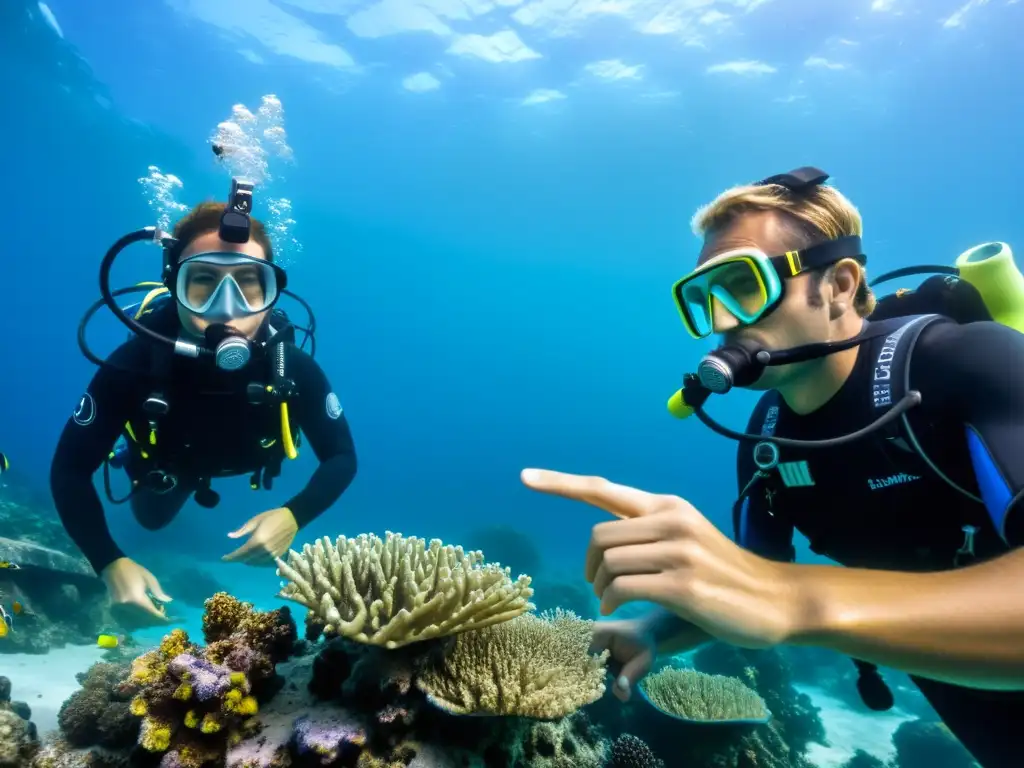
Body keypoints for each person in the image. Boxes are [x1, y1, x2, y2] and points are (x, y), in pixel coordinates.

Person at [520, 168, 1024, 767]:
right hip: (961, 689)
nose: (725, 320)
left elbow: (771, 591)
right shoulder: (766, 439)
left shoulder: (970, 359)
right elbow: (751, 578)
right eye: (704, 299)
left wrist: (794, 602)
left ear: (839, 284)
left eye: (743, 286)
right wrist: (654, 631)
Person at [50, 197, 358, 629]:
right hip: (166, 466)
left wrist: (294, 514)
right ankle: (135, 460)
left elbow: (342, 455)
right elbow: (69, 468)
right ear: (175, 285)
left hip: (246, 460)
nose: (226, 305)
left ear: (271, 294)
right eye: (204, 281)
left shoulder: (293, 367)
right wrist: (109, 562)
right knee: (151, 520)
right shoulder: (133, 364)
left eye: (249, 282)